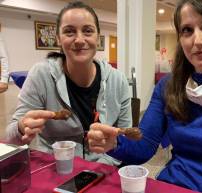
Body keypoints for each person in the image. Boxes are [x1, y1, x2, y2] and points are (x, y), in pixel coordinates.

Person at [87, 0, 202, 192]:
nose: (197, 40)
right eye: (187, 30)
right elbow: (144, 147)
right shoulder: (168, 86)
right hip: (171, 185)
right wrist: (114, 142)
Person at [6, 1, 132, 166]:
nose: (79, 40)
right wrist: (22, 128)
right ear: (58, 38)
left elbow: (125, 139)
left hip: (102, 167)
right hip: (55, 166)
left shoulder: (118, 80)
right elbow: (10, 137)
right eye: (69, 32)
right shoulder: (41, 75)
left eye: (87, 31)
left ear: (97, 37)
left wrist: (97, 168)